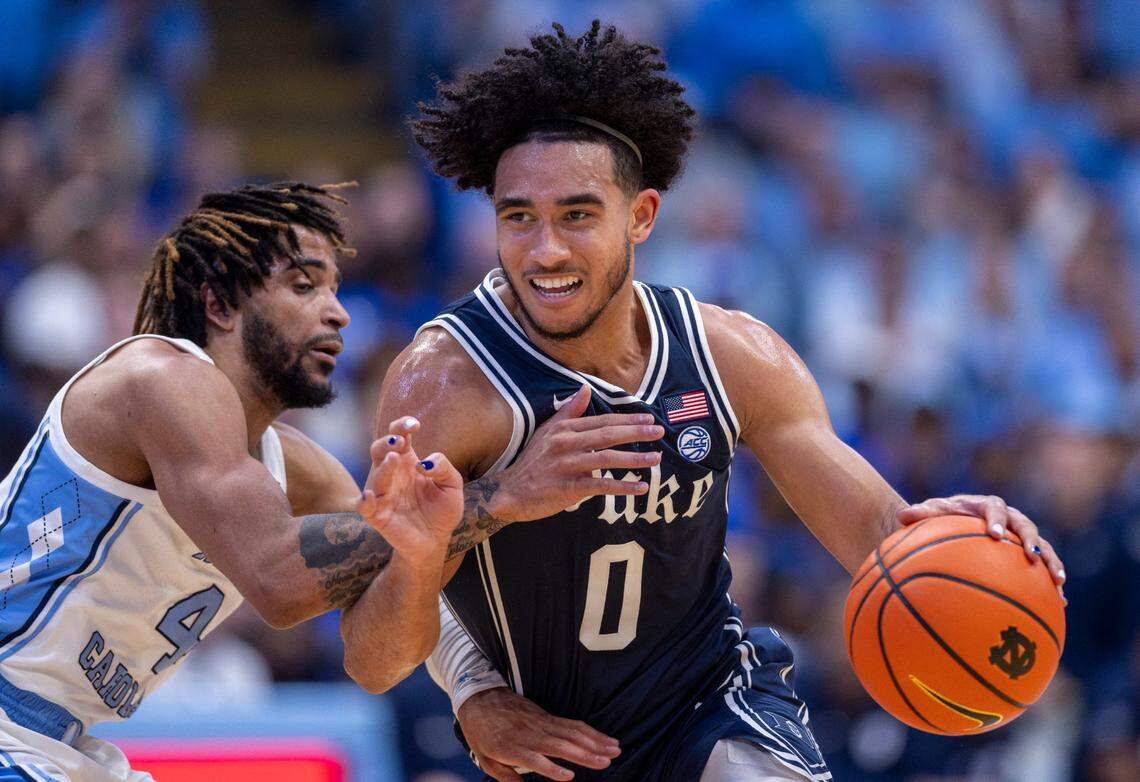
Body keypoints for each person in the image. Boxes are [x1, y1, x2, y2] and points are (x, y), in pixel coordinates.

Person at [377, 22, 1069, 781]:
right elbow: (376, 641)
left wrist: (954, 539)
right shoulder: (446, 383)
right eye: (519, 217)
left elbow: (878, 535)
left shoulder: (730, 355)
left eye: (577, 215)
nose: (546, 250)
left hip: (709, 705)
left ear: (641, 216)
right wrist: (473, 689)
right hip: (548, 740)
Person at [0, 182, 472, 782]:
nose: (338, 312)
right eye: (304, 286)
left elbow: (377, 662)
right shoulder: (160, 378)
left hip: (64, 739)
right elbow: (278, 580)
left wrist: (426, 560)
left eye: (335, 287)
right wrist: (495, 502)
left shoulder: (301, 470)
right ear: (220, 305)